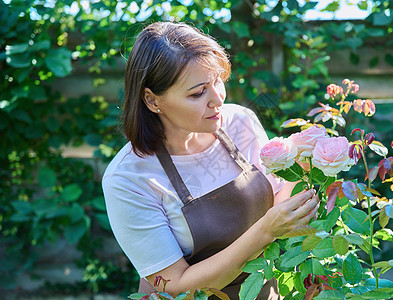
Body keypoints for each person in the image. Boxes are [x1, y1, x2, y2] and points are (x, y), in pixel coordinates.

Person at [102, 21, 319, 300]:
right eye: (197, 93)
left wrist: (305, 168)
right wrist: (265, 232)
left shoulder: (239, 122)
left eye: (217, 81)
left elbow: (279, 205)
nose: (217, 99)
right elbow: (175, 284)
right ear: (153, 101)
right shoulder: (129, 178)